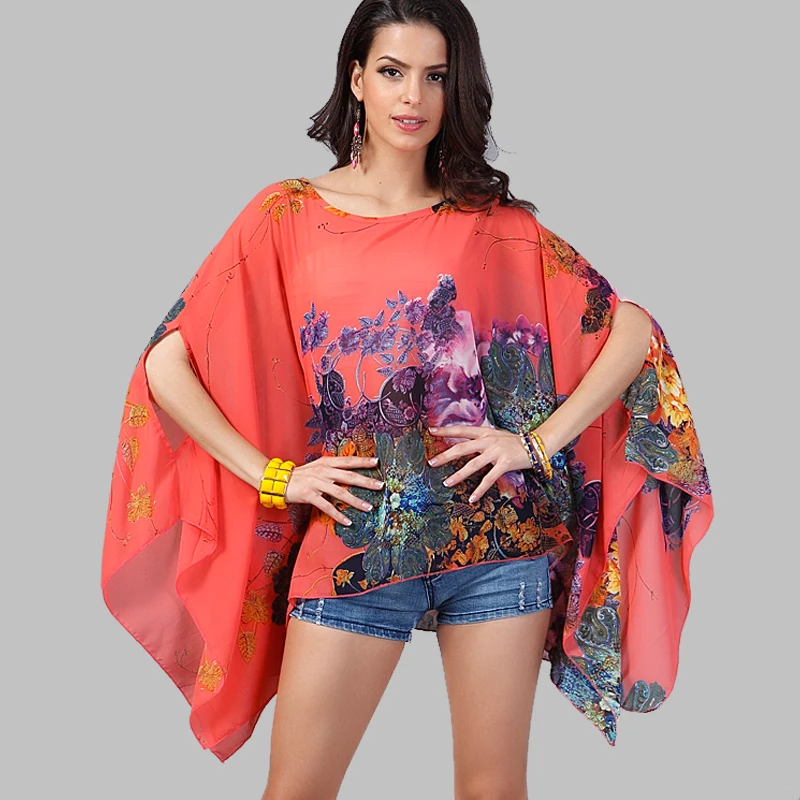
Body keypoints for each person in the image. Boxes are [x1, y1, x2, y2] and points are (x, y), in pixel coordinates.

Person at [101, 1, 714, 798]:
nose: (412, 96)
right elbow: (168, 363)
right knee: (296, 790)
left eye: (435, 76)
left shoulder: (490, 224)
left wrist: (535, 444)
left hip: (496, 542)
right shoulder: (286, 215)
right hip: (357, 539)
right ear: (357, 79)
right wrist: (275, 477)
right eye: (392, 72)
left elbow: (629, 328)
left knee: (492, 790)